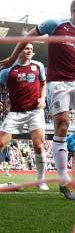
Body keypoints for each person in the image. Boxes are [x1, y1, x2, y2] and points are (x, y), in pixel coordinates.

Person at [0, 0, 75, 200]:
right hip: (58, 84)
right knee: (63, 126)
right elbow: (26, 38)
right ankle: (64, 180)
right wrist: (13, 59)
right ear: (74, 10)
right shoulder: (55, 25)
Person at [0, 44, 49, 190]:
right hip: (15, 113)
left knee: (39, 146)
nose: (30, 51)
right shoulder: (8, 70)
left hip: (35, 112)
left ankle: (41, 180)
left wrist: (43, 98)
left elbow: (43, 83)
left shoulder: (38, 65)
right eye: (26, 48)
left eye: (31, 49)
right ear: (19, 50)